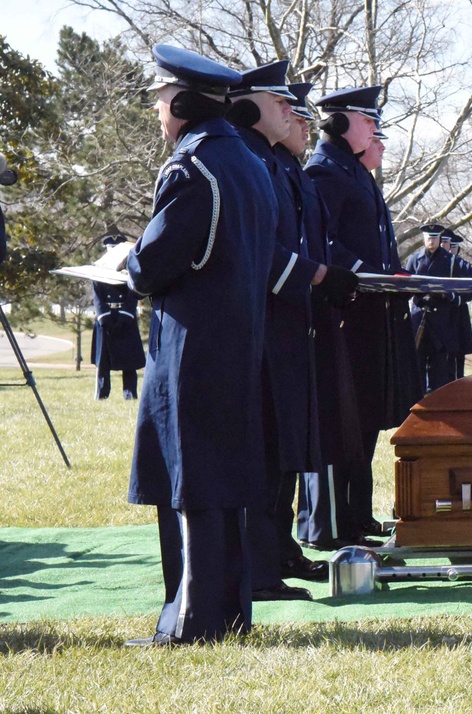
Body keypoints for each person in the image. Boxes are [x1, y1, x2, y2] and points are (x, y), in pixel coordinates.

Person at [124, 44, 277, 646]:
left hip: (191, 351)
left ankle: (191, 623)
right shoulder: (248, 163)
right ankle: (230, 616)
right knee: (224, 486)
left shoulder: (194, 169)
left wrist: (129, 263)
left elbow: (153, 265)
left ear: (185, 103)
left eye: (163, 101)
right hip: (238, 344)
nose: (159, 113)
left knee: (190, 489)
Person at [227, 62, 355, 599]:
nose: (296, 117)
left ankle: (277, 549)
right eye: (283, 105)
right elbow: (262, 249)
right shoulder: (251, 159)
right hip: (263, 325)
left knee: (286, 447)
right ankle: (258, 565)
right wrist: (317, 275)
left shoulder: (278, 167)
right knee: (267, 447)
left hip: (290, 324)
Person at [304, 86, 422, 542]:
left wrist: (392, 275)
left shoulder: (353, 173)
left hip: (369, 316)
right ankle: (328, 524)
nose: (376, 131)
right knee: (340, 424)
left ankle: (354, 515)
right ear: (339, 122)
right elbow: (325, 243)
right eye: (368, 122)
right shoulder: (323, 173)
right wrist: (372, 276)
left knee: (364, 420)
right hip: (344, 315)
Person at [277, 83, 366, 551]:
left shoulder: (302, 171)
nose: (304, 125)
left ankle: (311, 533)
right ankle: (315, 527)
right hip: (298, 311)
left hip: (319, 310)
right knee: (315, 431)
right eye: (291, 113)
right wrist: (342, 274)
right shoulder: (319, 172)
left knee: (330, 427)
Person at [405, 224, 472, 392]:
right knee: (416, 370)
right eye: (429, 238)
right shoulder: (415, 259)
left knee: (440, 372)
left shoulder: (451, 262)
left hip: (442, 322)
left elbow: (469, 290)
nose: (431, 241)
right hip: (420, 318)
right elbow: (404, 286)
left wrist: (450, 296)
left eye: (435, 238)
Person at [91, 235, 145, 400]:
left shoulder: (130, 270)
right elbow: (97, 296)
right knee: (103, 362)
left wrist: (125, 315)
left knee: (128, 361)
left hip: (125, 318)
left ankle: (130, 394)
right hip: (106, 319)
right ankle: (102, 394)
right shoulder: (98, 270)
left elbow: (132, 294)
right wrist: (105, 317)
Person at [441, 229, 472, 378]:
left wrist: (458, 298)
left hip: (458, 312)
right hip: (442, 313)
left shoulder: (463, 266)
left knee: (459, 351)